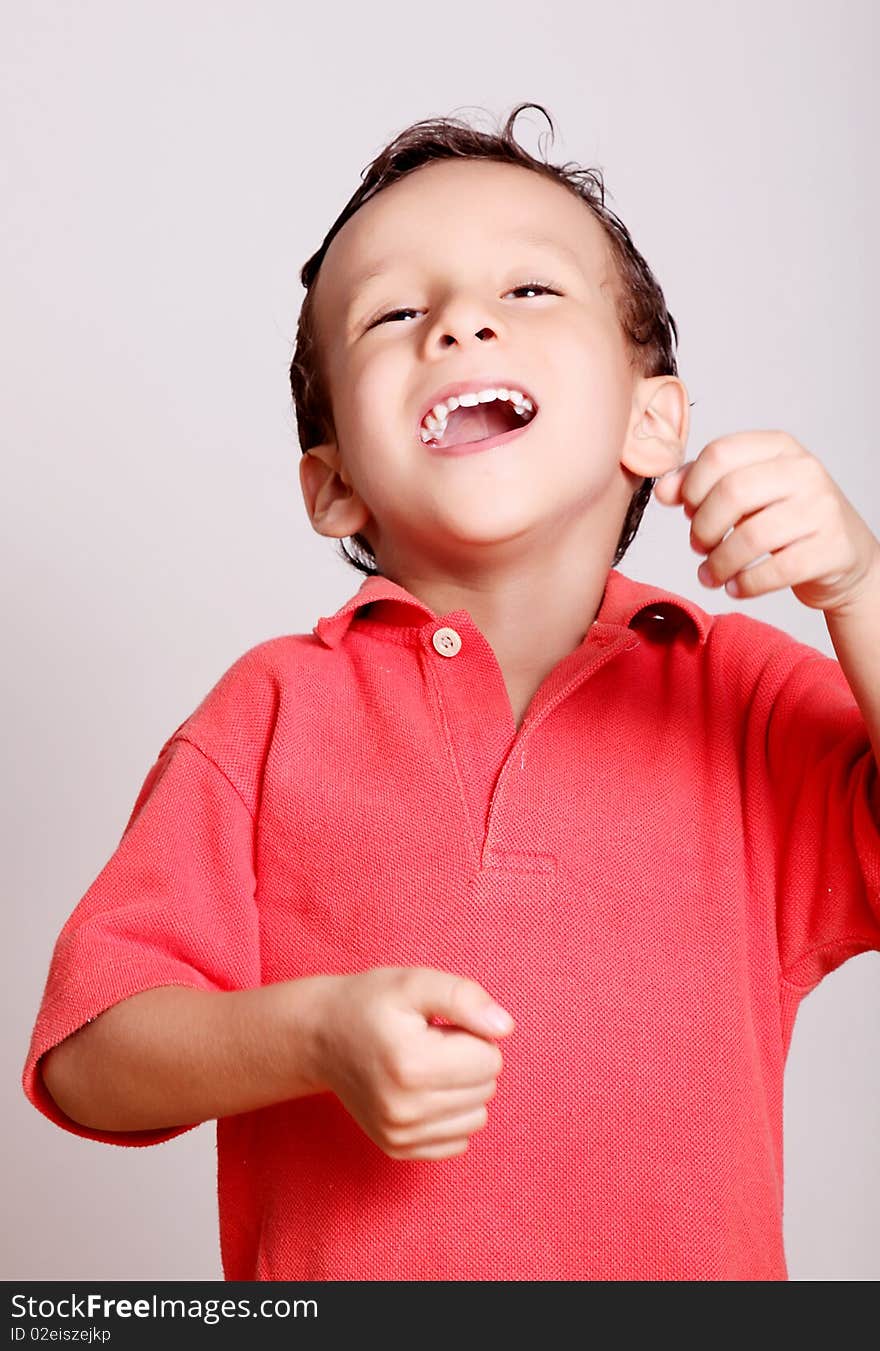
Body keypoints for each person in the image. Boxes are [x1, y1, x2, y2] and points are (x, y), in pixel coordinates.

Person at [22, 102, 880, 1282]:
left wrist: (862, 587)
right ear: (332, 488)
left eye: (528, 292)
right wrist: (311, 1035)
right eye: (393, 313)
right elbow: (87, 1059)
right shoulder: (269, 713)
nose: (461, 321)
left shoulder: (740, 695)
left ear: (653, 417)